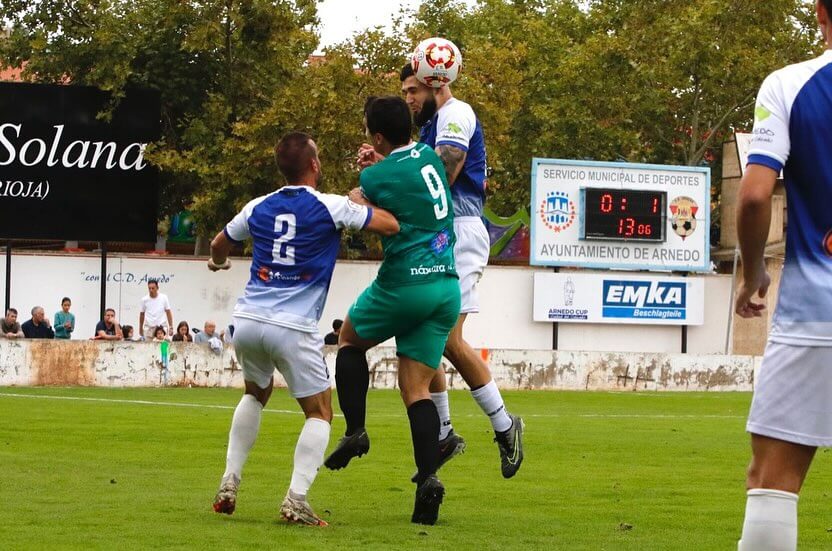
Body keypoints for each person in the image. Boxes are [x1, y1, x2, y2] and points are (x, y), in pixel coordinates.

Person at [207, 131, 399, 526]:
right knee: (320, 412)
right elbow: (390, 225)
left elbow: (217, 245)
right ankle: (295, 499)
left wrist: (220, 264)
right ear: (314, 164)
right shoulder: (331, 206)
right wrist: (364, 197)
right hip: (292, 326)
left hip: (247, 322)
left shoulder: (257, 207)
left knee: (256, 393)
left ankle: (229, 481)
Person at [354, 61, 524, 479]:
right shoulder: (434, 124)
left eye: (414, 90)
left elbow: (441, 177)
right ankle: (444, 432)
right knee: (423, 340)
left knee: (446, 338)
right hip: (443, 237)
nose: (409, 99)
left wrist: (386, 176)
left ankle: (505, 426)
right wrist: (386, 160)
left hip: (461, 232)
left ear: (436, 83)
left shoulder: (455, 115)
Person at [325, 96, 460, 525]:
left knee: (348, 339)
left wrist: (368, 172)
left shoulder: (375, 173)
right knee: (415, 390)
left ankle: (356, 432)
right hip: (445, 285)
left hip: (407, 281)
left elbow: (357, 202)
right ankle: (428, 481)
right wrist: (380, 161)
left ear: (376, 135)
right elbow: (402, 184)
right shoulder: (428, 155)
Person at [735, 3, 832, 549]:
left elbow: (752, 196)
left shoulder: (788, 86)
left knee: (773, 481)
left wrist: (754, 275)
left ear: (819, 11)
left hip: (815, 312)